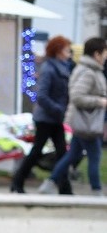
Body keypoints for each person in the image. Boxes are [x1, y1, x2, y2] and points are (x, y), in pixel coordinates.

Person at [38, 37, 107, 196]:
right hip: (87, 123)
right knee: (94, 156)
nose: (105, 56)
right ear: (96, 54)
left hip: (84, 121)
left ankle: (50, 183)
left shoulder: (88, 69)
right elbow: (77, 96)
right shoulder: (89, 72)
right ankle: (96, 191)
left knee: (72, 155)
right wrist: (101, 101)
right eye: (104, 52)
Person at [10, 35, 73, 194]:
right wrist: (58, 108)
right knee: (38, 151)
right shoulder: (49, 68)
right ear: (58, 51)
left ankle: (64, 187)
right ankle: (18, 181)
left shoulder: (62, 67)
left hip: (54, 118)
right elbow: (42, 95)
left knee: (61, 152)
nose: (69, 52)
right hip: (46, 118)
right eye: (66, 49)